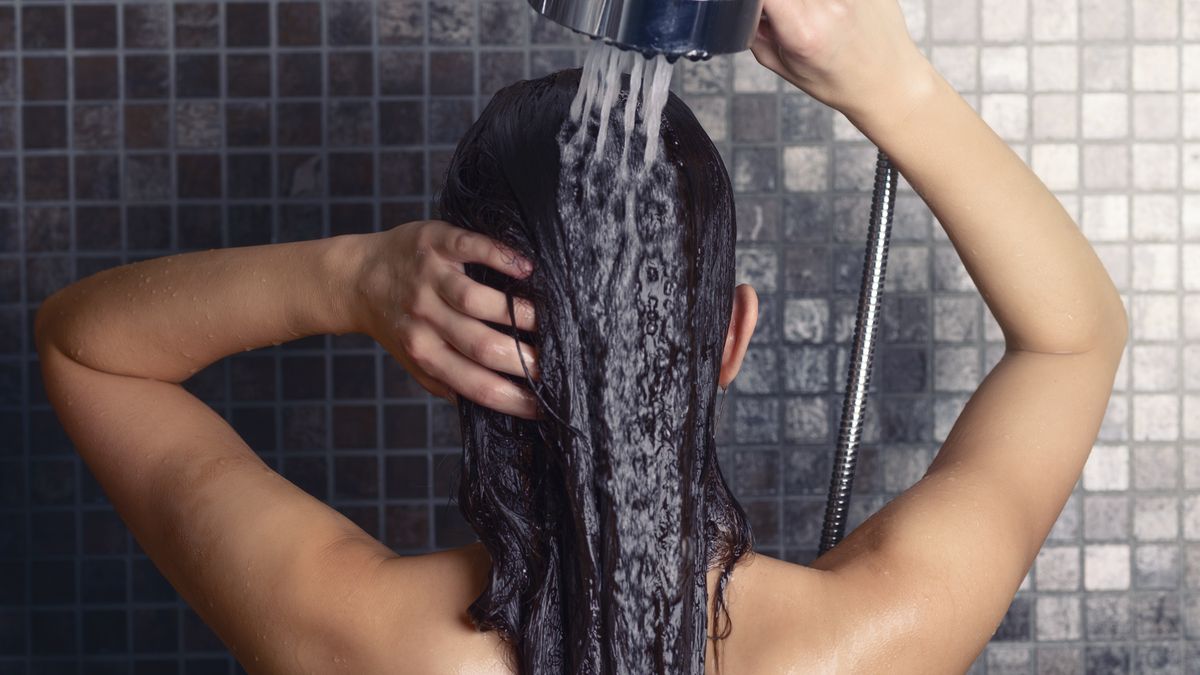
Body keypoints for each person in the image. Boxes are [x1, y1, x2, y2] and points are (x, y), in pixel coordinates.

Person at [33, 0, 1127, 672]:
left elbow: (89, 349)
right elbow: (1074, 340)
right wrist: (897, 87)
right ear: (732, 336)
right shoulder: (866, 646)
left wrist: (351, 277)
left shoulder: (353, 638)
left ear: (447, 355)